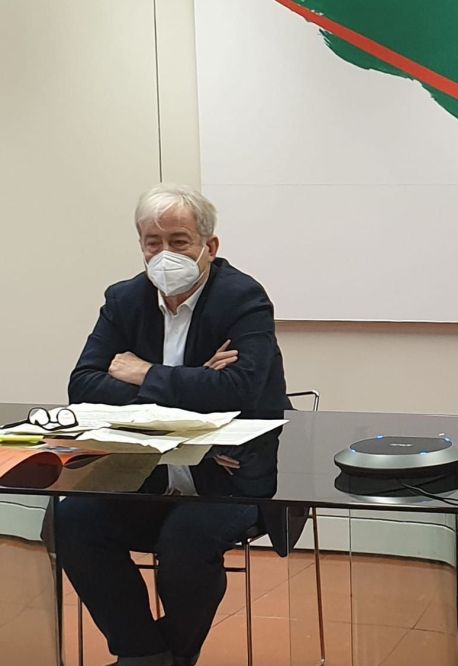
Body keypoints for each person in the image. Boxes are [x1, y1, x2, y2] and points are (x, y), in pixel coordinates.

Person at [56, 183, 289, 666]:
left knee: (186, 538)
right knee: (72, 518)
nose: (165, 254)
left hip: (230, 474)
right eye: (153, 242)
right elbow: (83, 386)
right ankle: (143, 654)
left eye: (179, 241)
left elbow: (240, 391)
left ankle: (170, 658)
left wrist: (143, 373)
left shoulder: (243, 298)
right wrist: (197, 382)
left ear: (210, 245)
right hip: (145, 471)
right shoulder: (124, 299)